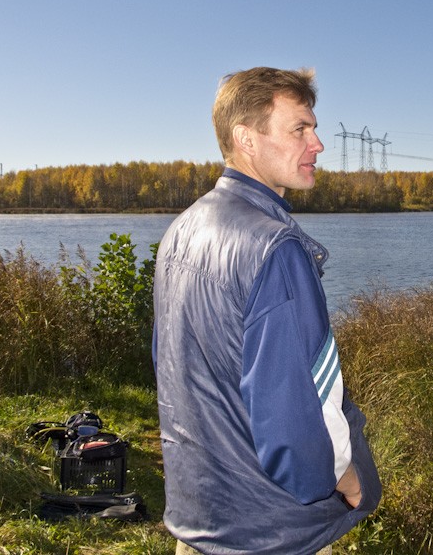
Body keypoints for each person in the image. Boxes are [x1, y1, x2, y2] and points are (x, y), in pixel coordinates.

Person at [153, 66, 381, 554]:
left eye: (314, 128)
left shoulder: (181, 231)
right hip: (269, 532)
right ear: (247, 139)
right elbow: (300, 421)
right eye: (300, 128)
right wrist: (350, 480)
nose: (318, 144)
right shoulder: (275, 250)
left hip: (198, 517)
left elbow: (173, 373)